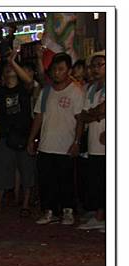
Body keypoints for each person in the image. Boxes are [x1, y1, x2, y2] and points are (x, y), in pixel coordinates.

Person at [27, 52, 85, 225]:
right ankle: (49, 210)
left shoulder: (76, 91)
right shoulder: (46, 92)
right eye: (54, 69)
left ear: (68, 70)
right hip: (46, 144)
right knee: (47, 180)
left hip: (65, 145)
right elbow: (39, 116)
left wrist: (76, 142)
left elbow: (80, 119)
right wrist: (32, 139)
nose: (57, 73)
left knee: (66, 181)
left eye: (61, 69)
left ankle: (68, 210)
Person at [0, 49, 37, 218]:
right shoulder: (0, 92)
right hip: (6, 137)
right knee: (2, 172)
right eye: (7, 70)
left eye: (12, 69)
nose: (10, 71)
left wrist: (13, 61)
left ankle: (25, 205)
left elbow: (29, 80)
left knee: (26, 171)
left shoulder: (24, 89)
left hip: (24, 135)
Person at [74, 51, 106, 232]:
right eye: (93, 66)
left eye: (100, 65)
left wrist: (96, 113)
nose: (95, 69)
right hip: (94, 144)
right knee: (97, 182)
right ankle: (99, 216)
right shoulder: (92, 89)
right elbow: (83, 116)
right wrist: (98, 114)